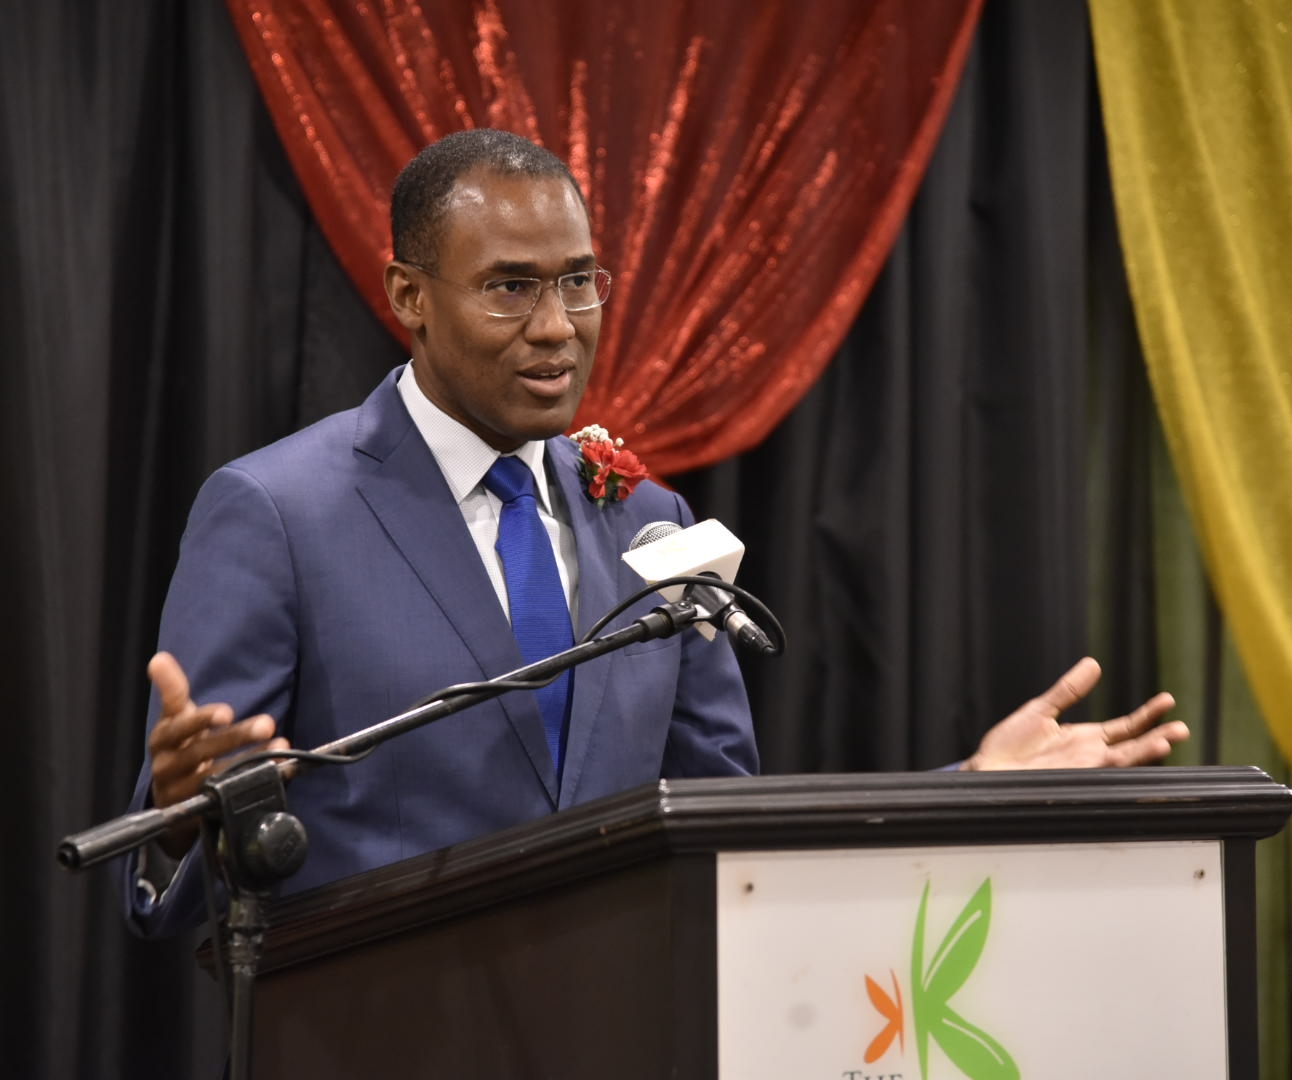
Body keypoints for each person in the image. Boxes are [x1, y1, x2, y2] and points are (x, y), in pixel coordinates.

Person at [120, 130, 1187, 937]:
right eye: (509, 289)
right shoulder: (277, 513)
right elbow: (174, 876)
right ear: (409, 294)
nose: (556, 327)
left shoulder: (652, 522)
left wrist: (966, 794)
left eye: (579, 281)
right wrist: (180, 818)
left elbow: (729, 837)